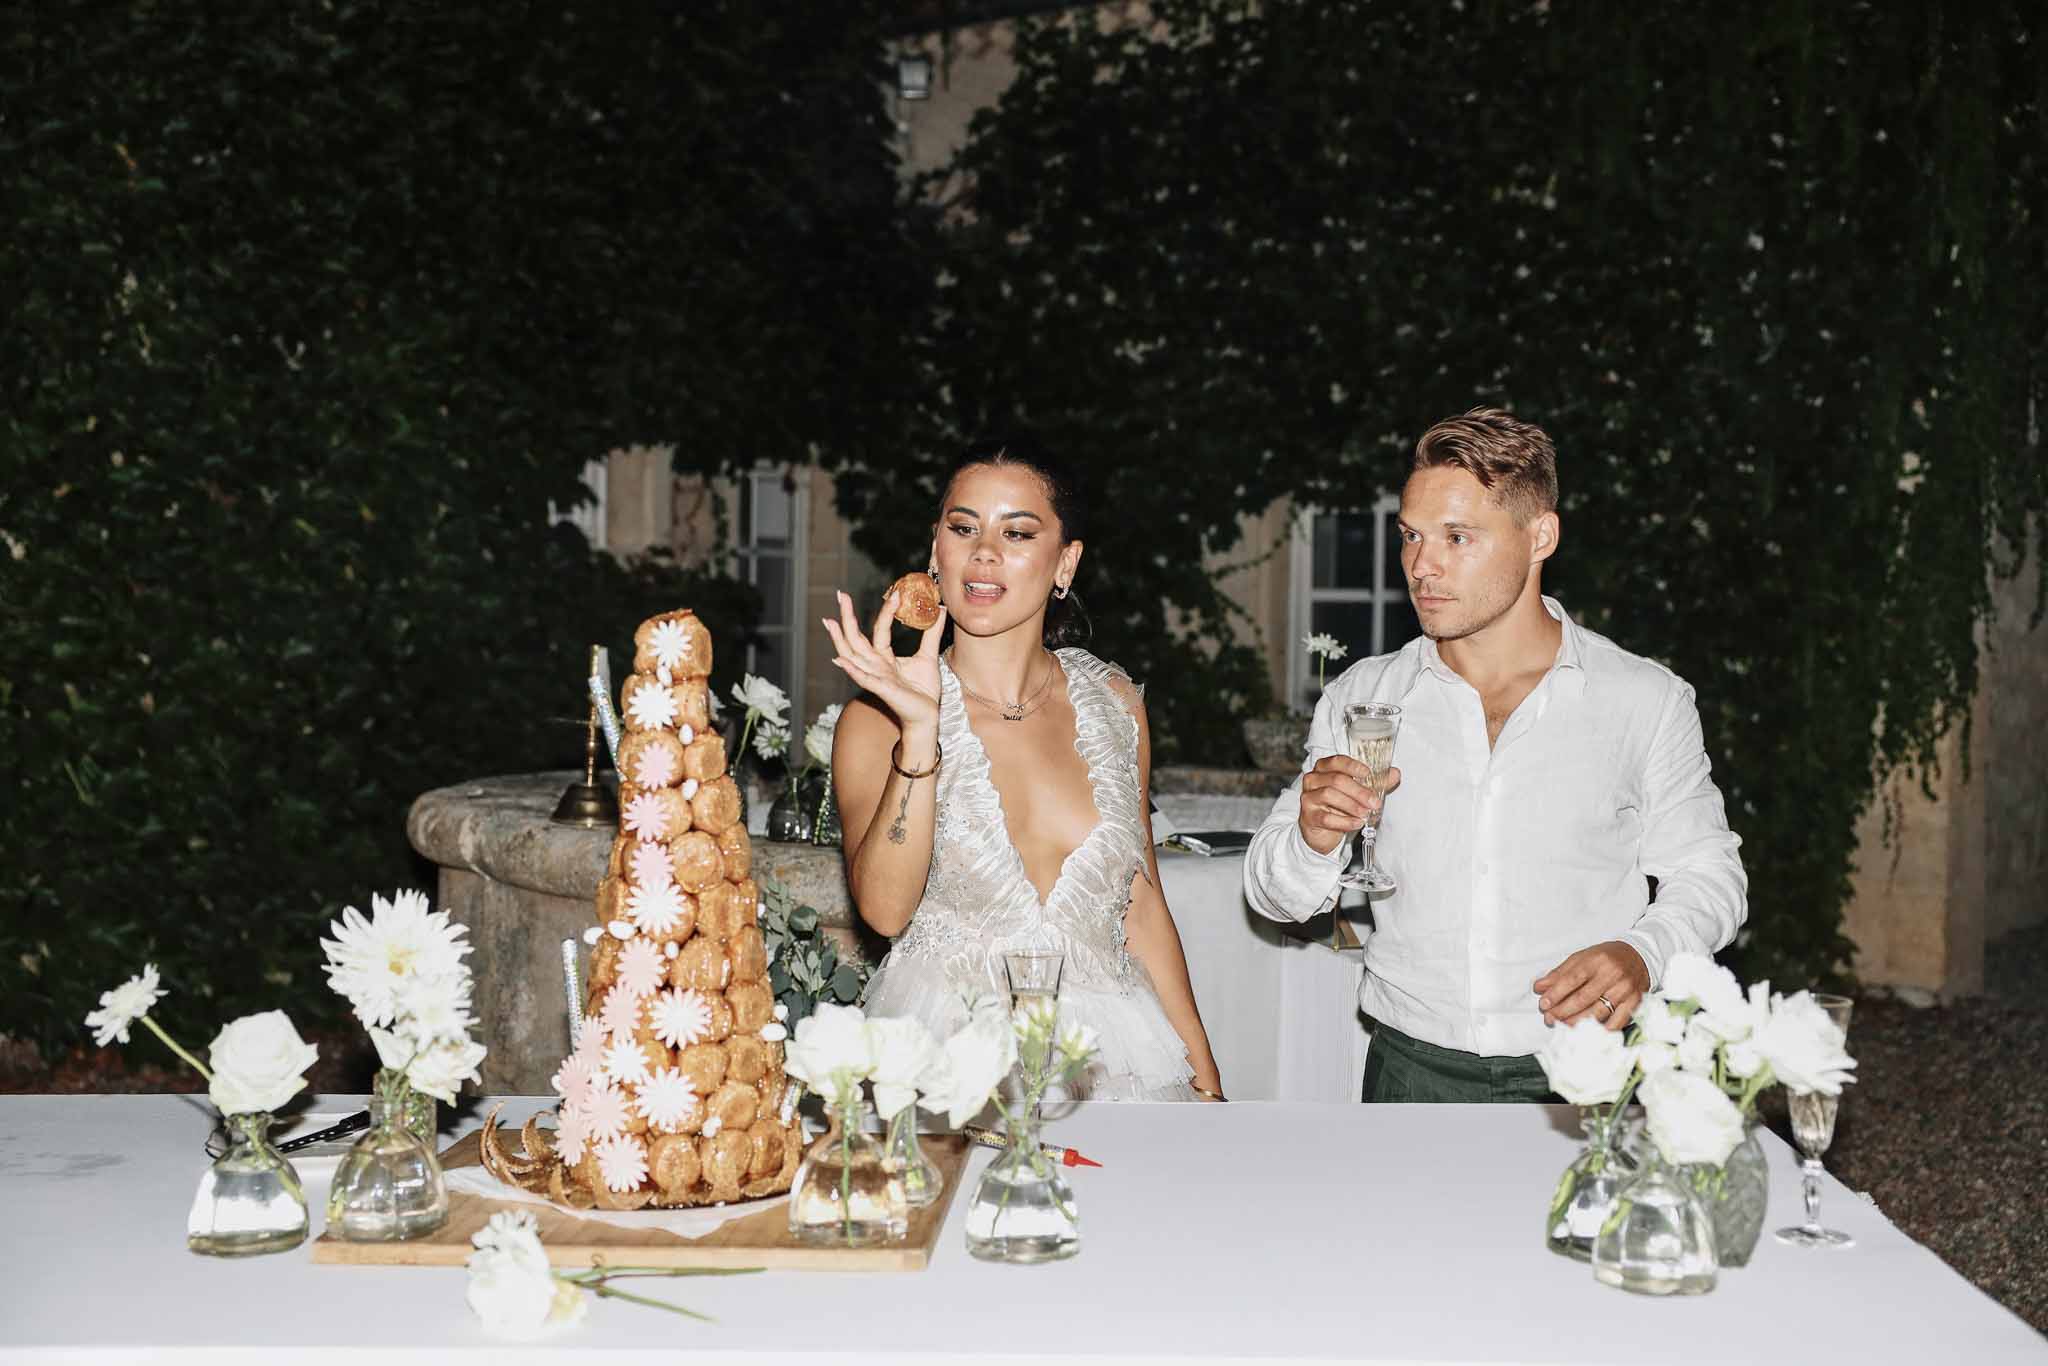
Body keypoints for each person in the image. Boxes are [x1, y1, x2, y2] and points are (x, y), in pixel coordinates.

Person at [1243, 408, 1747, 1102]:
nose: (1422, 566)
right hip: (1411, 1069)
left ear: (1540, 536)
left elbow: (1710, 874)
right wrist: (1311, 837)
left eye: (1457, 537)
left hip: (1586, 1065)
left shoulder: (1642, 699)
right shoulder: (1366, 697)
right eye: (1411, 536)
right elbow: (1272, 894)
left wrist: (1644, 953)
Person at [823, 441, 1224, 1102]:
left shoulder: (1115, 704)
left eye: (1016, 533)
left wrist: (1206, 1083)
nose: (984, 552)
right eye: (963, 528)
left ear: (1065, 562)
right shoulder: (877, 720)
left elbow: (1142, 904)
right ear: (935, 550)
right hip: (949, 1061)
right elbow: (885, 912)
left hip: (1115, 1060)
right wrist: (920, 731)